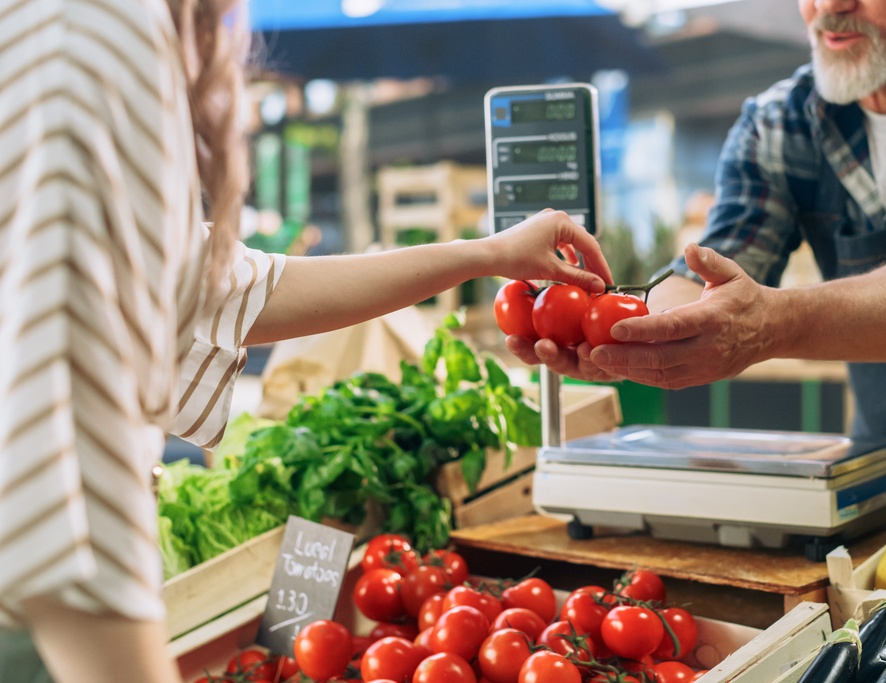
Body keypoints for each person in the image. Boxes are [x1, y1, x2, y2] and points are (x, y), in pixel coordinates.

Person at [0, 1, 612, 681]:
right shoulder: (92, 23)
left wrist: (484, 254)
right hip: (40, 619)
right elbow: (61, 436)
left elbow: (220, 286)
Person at [508, 0, 886, 473]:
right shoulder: (781, 123)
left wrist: (775, 325)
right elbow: (714, 270)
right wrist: (641, 335)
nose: (830, 7)